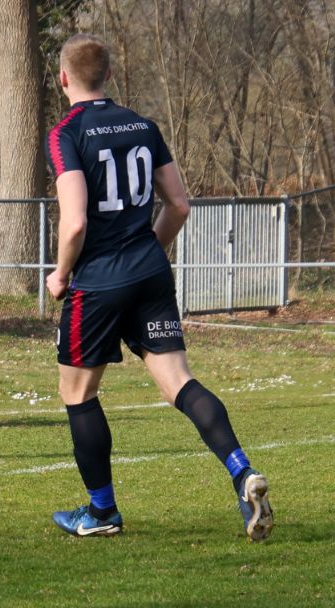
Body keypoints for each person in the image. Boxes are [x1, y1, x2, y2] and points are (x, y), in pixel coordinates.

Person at [43, 34, 272, 541]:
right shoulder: (144, 127)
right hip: (150, 271)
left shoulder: (65, 134)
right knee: (178, 382)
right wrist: (150, 253)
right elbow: (180, 206)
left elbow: (75, 222)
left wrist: (61, 273)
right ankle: (241, 470)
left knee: (78, 393)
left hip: (98, 282)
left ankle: (102, 513)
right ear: (108, 77)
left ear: (63, 78)